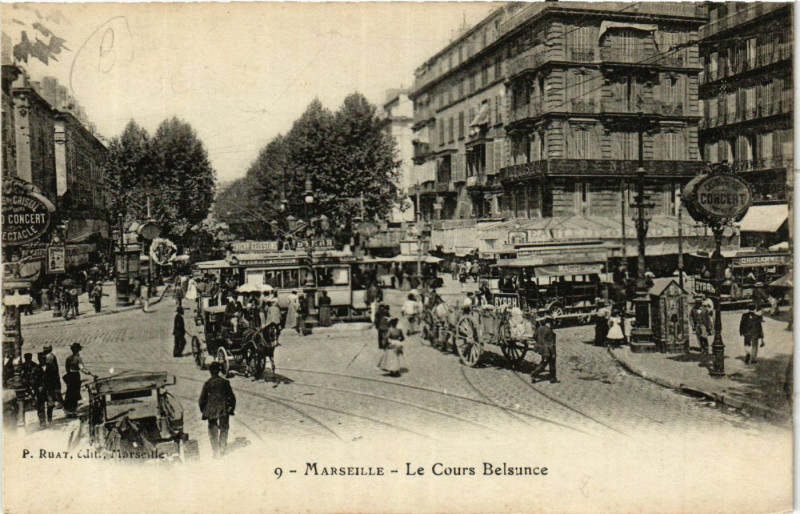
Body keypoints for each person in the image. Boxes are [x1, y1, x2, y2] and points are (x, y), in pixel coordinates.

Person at [198, 362, 236, 459]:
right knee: (224, 428)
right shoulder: (225, 382)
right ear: (219, 371)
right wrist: (231, 408)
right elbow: (232, 397)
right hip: (224, 409)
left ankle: (216, 452)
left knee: (212, 430)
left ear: (210, 372)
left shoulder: (207, 384)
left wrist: (204, 410)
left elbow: (202, 400)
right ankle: (223, 448)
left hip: (211, 410)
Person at [63, 343, 94, 417]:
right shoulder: (78, 359)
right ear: (78, 350)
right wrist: (90, 374)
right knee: (75, 393)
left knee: (69, 393)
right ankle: (73, 411)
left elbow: (66, 368)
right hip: (75, 376)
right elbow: (82, 368)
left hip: (69, 376)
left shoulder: (68, 358)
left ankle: (68, 410)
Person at [532, 317, 558, 383]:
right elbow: (552, 344)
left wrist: (539, 343)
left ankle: (534, 374)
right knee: (551, 363)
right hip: (548, 350)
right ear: (550, 323)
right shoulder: (550, 332)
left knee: (543, 363)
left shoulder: (540, 328)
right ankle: (552, 378)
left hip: (541, 349)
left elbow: (534, 336)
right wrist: (554, 354)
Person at [29, 353, 47, 428]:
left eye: (43, 358)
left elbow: (55, 377)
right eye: (40, 359)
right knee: (41, 406)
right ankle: (42, 422)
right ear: (39, 359)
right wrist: (36, 387)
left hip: (49, 389)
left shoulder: (50, 367)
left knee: (51, 405)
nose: (42, 360)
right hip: (40, 391)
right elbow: (32, 380)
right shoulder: (35, 368)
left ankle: (49, 419)